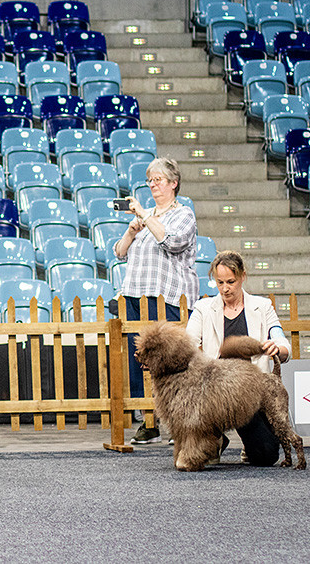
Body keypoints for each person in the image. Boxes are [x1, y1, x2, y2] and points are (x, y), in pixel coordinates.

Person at [113, 156, 199, 445]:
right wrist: (131, 231)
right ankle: (148, 423)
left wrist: (146, 218)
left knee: (171, 362)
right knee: (140, 361)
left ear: (173, 184)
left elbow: (174, 243)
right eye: (150, 181)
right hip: (135, 294)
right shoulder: (146, 215)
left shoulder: (183, 214)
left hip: (168, 297)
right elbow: (119, 252)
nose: (153, 186)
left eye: (158, 180)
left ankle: (182, 422)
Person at [185, 250, 291, 466]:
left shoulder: (263, 307)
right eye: (220, 282)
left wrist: (277, 347)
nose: (225, 288)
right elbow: (188, 344)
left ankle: (244, 443)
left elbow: (283, 343)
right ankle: (214, 438)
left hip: (250, 393)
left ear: (243, 276)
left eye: (231, 282)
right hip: (215, 393)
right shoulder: (203, 308)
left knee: (266, 456)